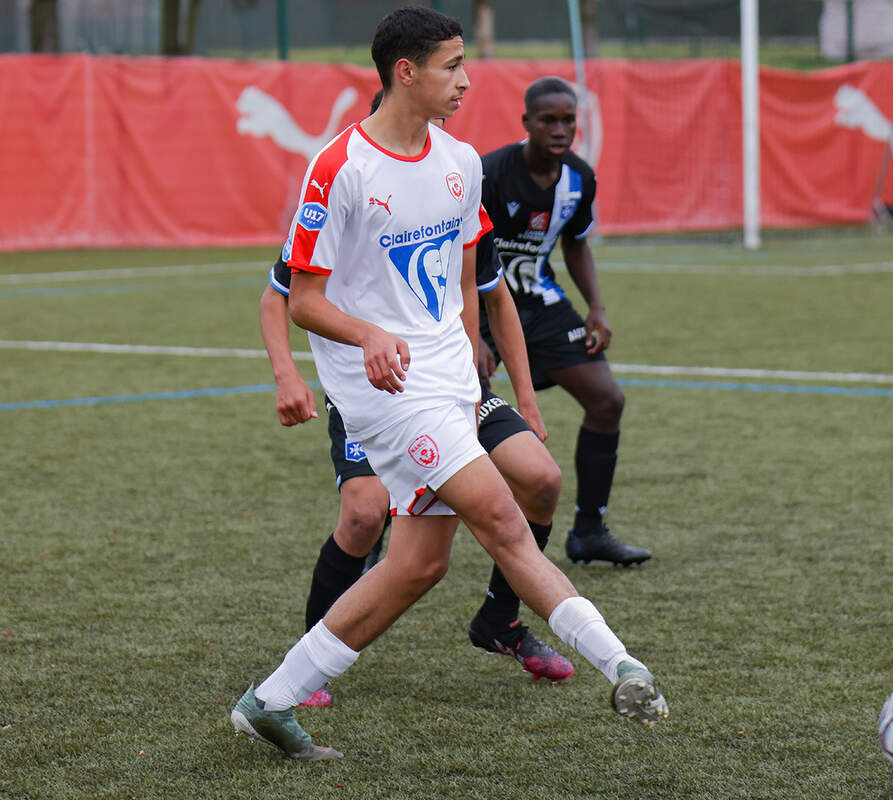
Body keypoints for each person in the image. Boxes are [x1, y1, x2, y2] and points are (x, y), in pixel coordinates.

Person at [231, 7, 666, 761]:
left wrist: (472, 363)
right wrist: (368, 335)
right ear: (407, 71)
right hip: (389, 396)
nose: (466, 81)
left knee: (418, 565)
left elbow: (467, 278)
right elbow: (298, 297)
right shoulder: (340, 168)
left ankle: (268, 702)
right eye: (452, 66)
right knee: (502, 517)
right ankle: (621, 664)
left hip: (447, 380)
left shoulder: (460, 163)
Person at [258, 98, 574, 706]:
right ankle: (308, 662)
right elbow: (285, 296)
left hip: (453, 385)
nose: (458, 96)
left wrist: (524, 397)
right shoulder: (348, 184)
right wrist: (285, 375)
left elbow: (491, 295)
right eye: (448, 73)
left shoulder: (449, 184)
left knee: (541, 480)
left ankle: (500, 622)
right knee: (364, 513)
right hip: (375, 389)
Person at [479, 76, 651, 567]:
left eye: (568, 120)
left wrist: (595, 307)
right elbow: (457, 256)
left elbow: (576, 242)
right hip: (484, 306)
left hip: (541, 305)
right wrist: (472, 335)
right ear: (527, 123)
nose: (560, 129)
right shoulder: (489, 174)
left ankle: (589, 531)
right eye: (548, 120)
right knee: (450, 416)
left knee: (607, 400)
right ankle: (381, 532)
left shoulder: (579, 178)